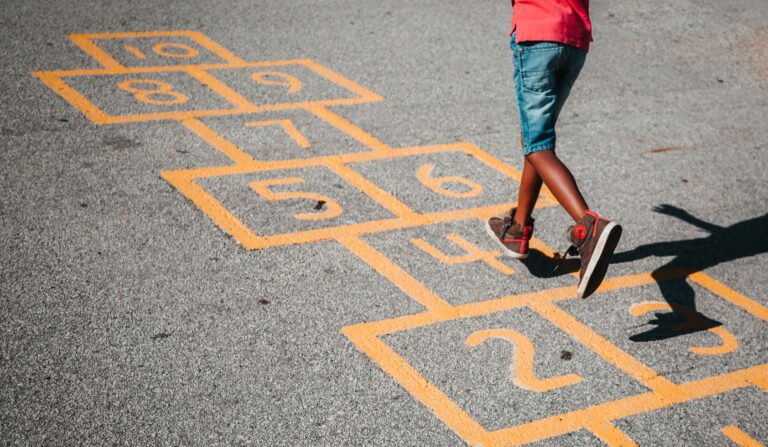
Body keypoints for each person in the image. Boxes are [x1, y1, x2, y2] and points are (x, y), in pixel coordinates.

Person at [485, 0, 622, 298]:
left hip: (537, 35)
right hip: (574, 39)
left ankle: (589, 227)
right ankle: (518, 230)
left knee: (537, 145)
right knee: (536, 139)